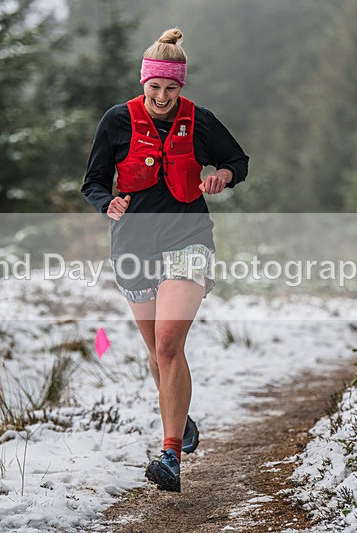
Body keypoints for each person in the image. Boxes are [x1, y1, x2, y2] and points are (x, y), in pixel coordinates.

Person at [81, 28, 249, 492]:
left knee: (169, 342)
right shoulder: (116, 121)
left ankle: (170, 452)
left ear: (182, 87)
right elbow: (93, 181)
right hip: (134, 246)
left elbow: (239, 160)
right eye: (154, 86)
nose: (161, 96)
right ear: (143, 82)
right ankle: (182, 415)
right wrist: (106, 203)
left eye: (170, 88)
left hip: (189, 239)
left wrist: (223, 174)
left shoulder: (201, 121)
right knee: (157, 351)